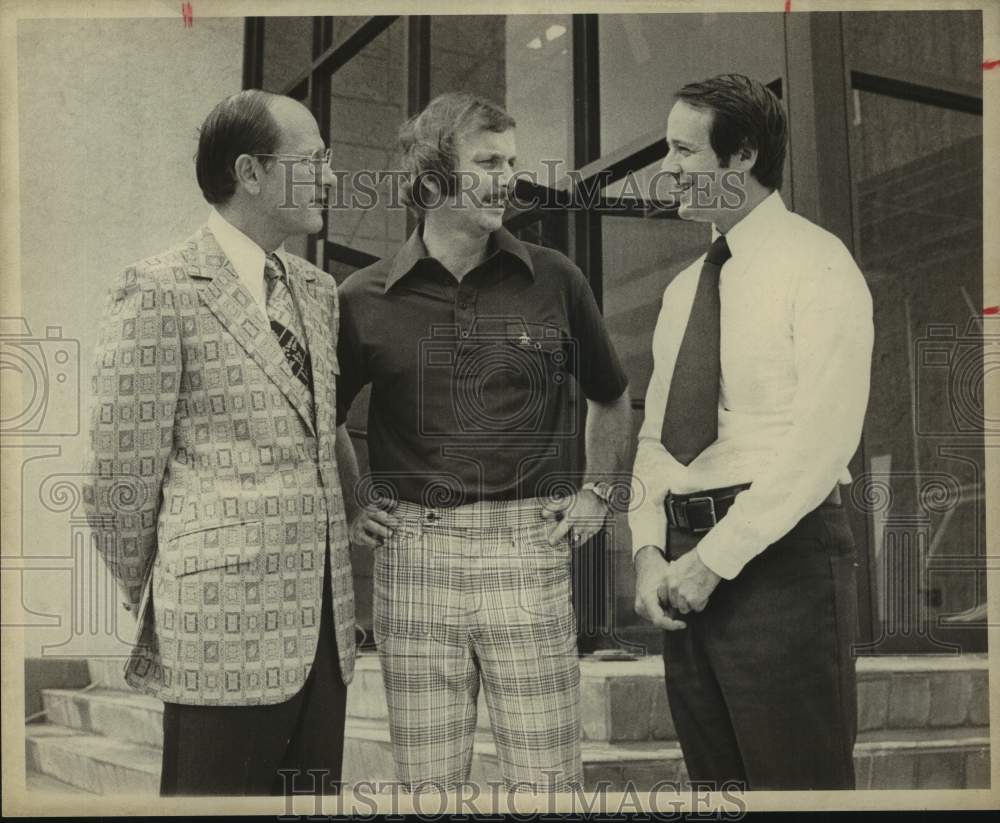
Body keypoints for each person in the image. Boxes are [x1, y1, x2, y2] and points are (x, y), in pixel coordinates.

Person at [334, 92, 632, 791]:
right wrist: (353, 500)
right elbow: (325, 416)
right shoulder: (363, 297)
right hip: (414, 553)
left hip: (528, 546)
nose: (508, 179)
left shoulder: (554, 278)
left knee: (547, 780)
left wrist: (597, 491)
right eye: (488, 163)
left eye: (512, 163)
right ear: (434, 175)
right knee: (427, 786)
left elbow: (611, 395)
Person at [83, 89, 355, 796]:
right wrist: (172, 583)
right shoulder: (159, 288)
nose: (329, 177)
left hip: (324, 636)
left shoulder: (319, 292)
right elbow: (118, 481)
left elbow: (322, 433)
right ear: (251, 172)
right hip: (218, 634)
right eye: (313, 161)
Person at [630, 74, 873, 790]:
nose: (667, 168)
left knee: (799, 789)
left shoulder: (818, 264)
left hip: (780, 565)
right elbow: (656, 439)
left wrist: (714, 560)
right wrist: (647, 552)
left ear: (743, 156)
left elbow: (823, 443)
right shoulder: (683, 290)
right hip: (683, 571)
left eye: (684, 151)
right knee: (718, 792)